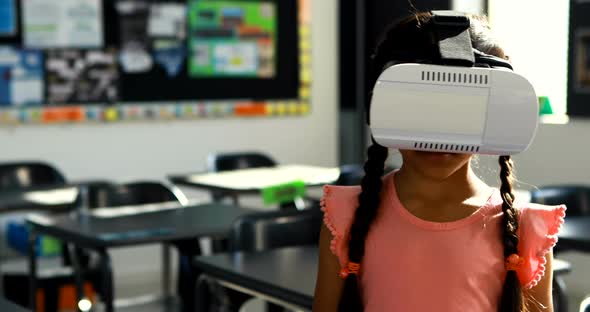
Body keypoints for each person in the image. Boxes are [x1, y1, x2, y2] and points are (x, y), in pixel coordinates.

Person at [313, 12, 566, 312]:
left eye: (463, 111)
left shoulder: (525, 230)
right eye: (420, 108)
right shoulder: (345, 217)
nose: (440, 131)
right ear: (379, 107)